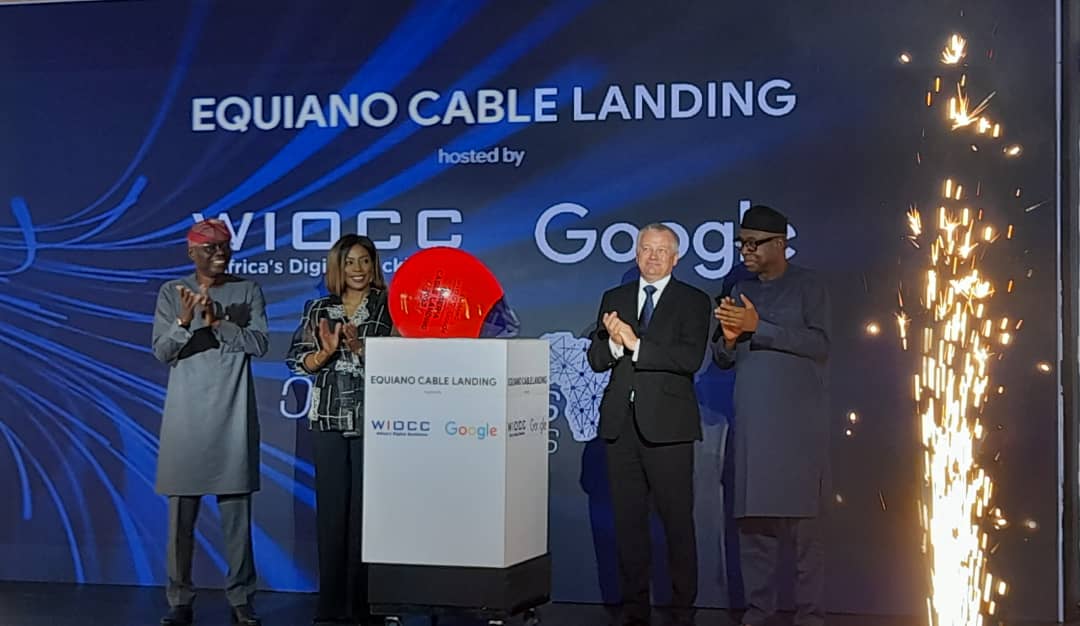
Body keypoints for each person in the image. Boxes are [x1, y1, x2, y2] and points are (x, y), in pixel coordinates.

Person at [587, 223, 712, 626]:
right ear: (636, 253)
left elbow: (688, 359)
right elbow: (596, 359)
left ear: (676, 258)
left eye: (661, 251)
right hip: (620, 427)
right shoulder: (615, 299)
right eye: (646, 249)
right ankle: (634, 610)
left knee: (677, 525)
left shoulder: (693, 301)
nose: (653, 257)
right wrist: (613, 342)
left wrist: (636, 344)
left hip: (669, 430)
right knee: (628, 527)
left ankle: (682, 611)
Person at [712, 205, 831, 626]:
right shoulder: (738, 287)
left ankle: (810, 616)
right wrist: (729, 339)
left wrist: (757, 327)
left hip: (798, 429)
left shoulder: (809, 286)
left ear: (779, 244)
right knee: (754, 529)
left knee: (805, 533)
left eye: (754, 243)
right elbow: (722, 357)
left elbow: (820, 345)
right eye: (741, 243)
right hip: (753, 429)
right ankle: (758, 612)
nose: (745, 251)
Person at [151, 219, 269, 626]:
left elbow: (260, 343)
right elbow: (162, 351)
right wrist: (184, 322)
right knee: (180, 521)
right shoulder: (171, 292)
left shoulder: (247, 290)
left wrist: (220, 323)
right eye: (210, 248)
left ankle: (241, 599)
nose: (220, 254)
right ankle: (179, 600)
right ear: (191, 252)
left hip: (231, 414)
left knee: (237, 519)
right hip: (186, 419)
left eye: (224, 247)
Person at [286, 234, 393, 626]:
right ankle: (330, 606)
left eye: (365, 261)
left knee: (367, 516)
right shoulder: (319, 308)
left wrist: (362, 350)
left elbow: (401, 361)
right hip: (328, 419)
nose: (358, 269)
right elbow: (295, 360)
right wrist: (325, 353)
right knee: (332, 515)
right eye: (350, 262)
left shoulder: (388, 305)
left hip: (374, 421)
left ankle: (365, 605)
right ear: (338, 268)